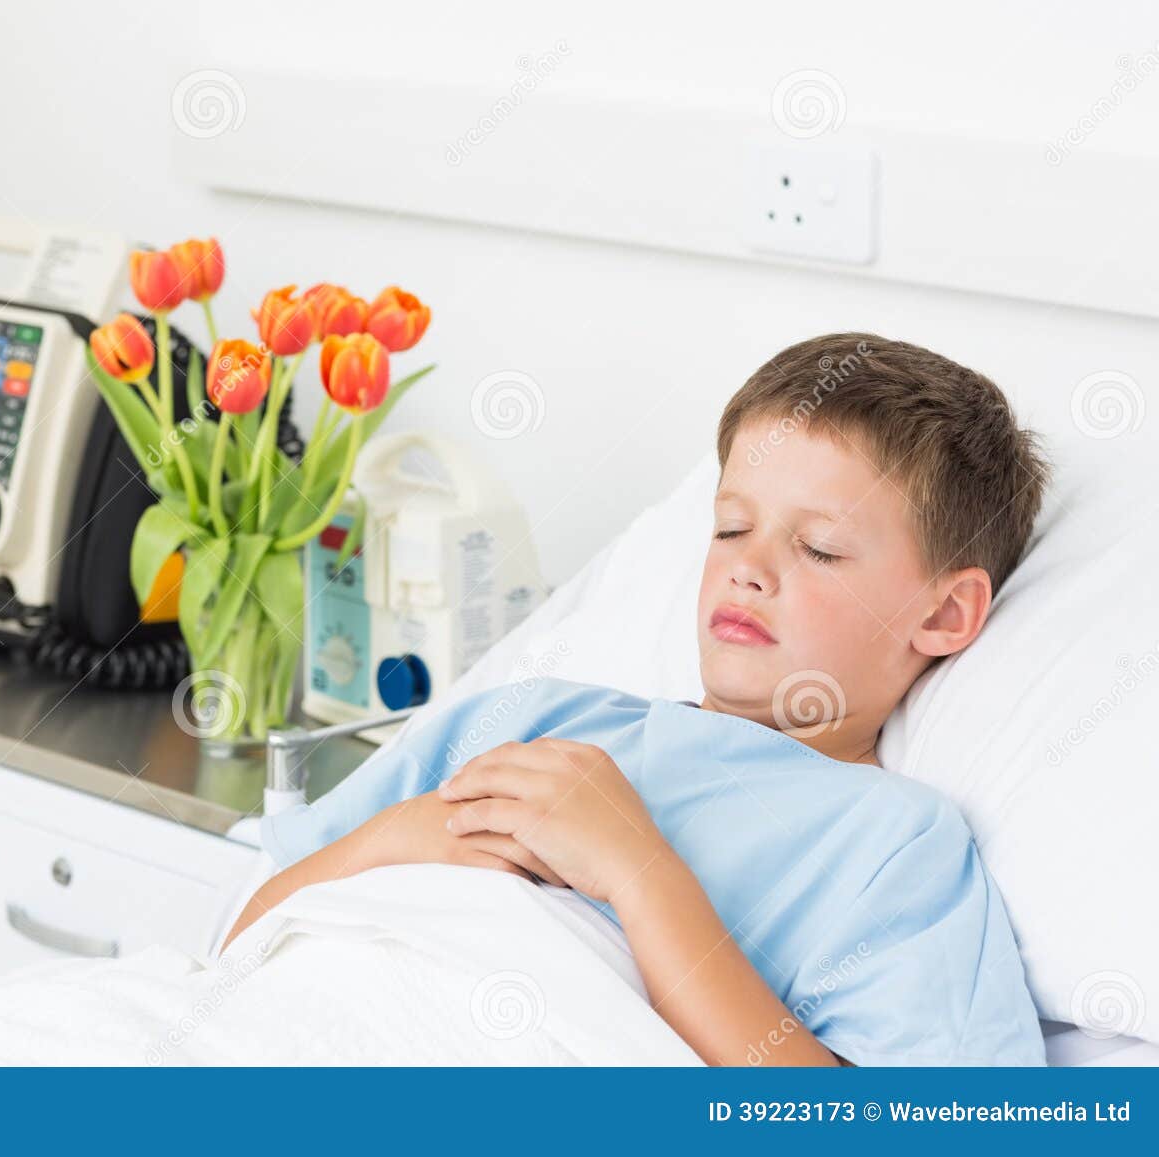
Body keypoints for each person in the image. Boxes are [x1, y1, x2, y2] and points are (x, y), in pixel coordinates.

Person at [222, 333, 1051, 1066]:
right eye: (731, 528)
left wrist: (638, 871)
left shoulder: (893, 846)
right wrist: (404, 832)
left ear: (945, 614)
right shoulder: (529, 719)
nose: (747, 567)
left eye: (819, 547)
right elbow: (239, 945)